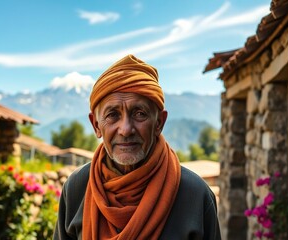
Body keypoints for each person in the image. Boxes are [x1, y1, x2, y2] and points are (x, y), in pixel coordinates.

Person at [54, 54, 221, 240]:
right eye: (112, 115)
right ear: (96, 125)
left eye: (140, 113)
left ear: (159, 123)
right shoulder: (77, 188)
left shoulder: (195, 195)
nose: (125, 129)